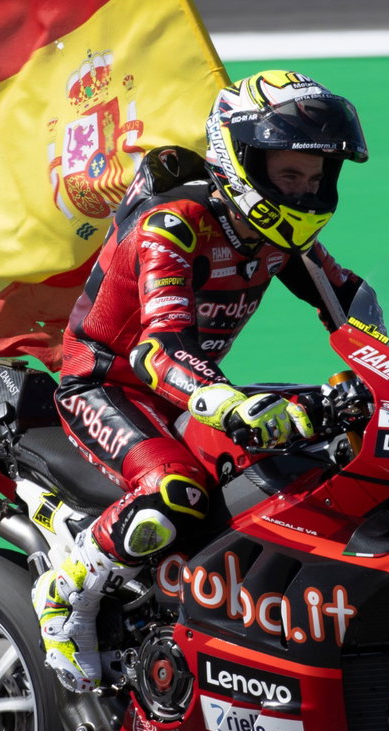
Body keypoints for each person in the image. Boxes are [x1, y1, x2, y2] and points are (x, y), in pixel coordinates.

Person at [33, 69, 371, 692]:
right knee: (175, 488)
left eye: (315, 178)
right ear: (244, 165)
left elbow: (351, 304)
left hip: (193, 387)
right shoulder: (175, 224)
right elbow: (158, 353)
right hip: (109, 385)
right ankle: (66, 590)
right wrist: (232, 404)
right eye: (289, 176)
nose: (304, 192)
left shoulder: (280, 236)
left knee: (322, 450)